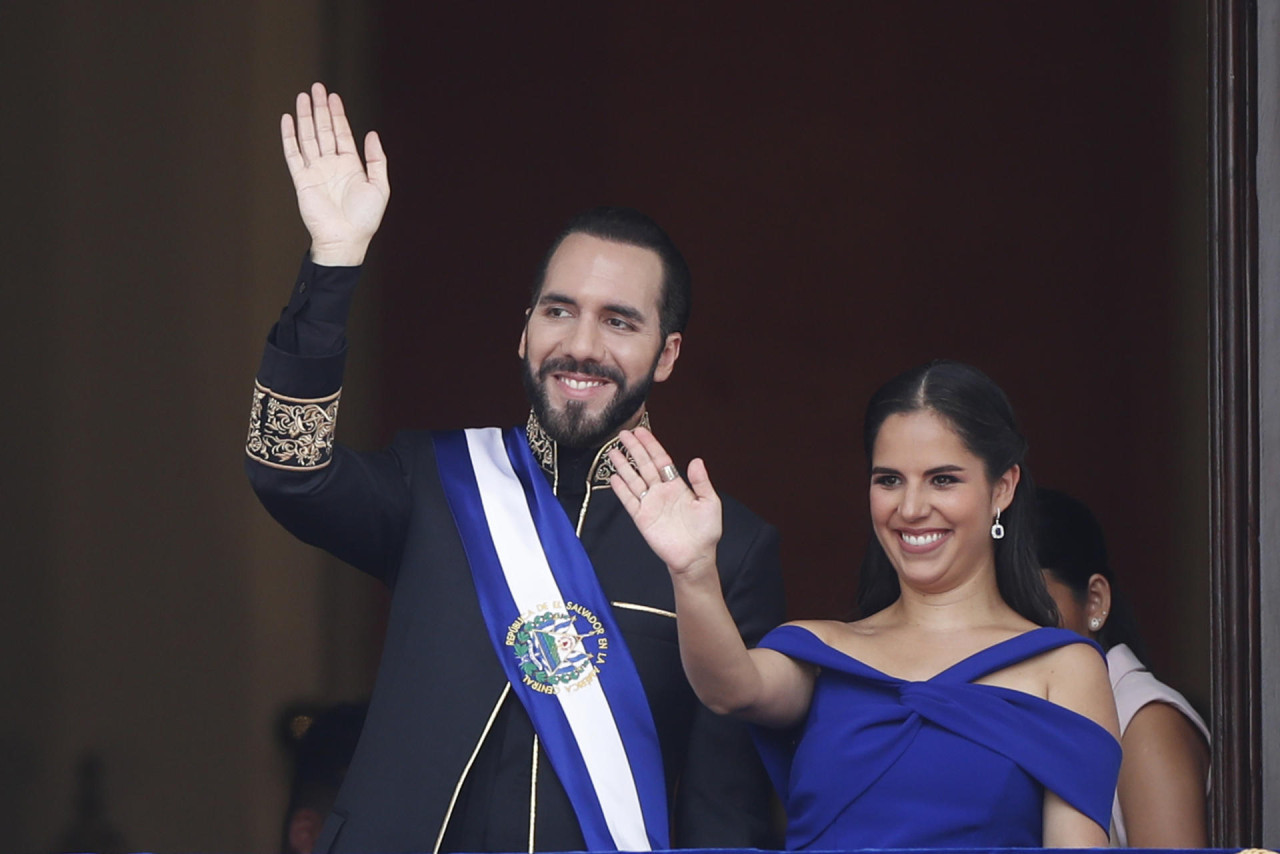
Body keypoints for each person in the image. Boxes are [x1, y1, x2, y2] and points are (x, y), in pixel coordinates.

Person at [245, 83, 785, 854]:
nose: (582, 344)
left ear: (666, 355)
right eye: (558, 310)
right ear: (524, 332)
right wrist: (333, 262)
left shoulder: (730, 552)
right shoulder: (432, 483)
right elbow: (284, 470)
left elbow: (725, 814)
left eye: (620, 321)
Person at [607, 359, 1122, 848]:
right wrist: (693, 571)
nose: (912, 508)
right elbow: (730, 687)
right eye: (889, 480)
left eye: (943, 479)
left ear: (1002, 488)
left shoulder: (1063, 667)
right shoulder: (824, 651)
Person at [1037, 487, 1211, 847]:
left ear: (1095, 602)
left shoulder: (1144, 722)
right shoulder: (1037, 711)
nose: (1011, 632)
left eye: (1030, 607)